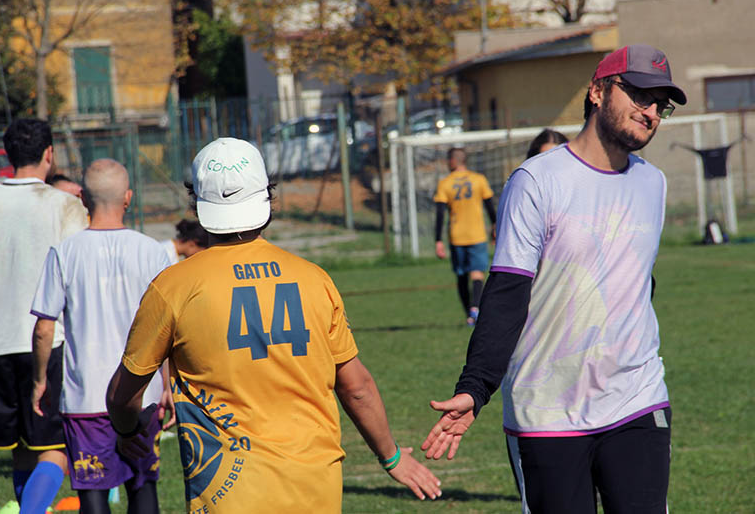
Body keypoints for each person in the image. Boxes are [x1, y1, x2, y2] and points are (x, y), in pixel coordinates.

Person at [106, 137, 442, 512]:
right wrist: (392, 457)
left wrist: (126, 431)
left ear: (197, 204)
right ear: (267, 196)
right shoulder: (315, 279)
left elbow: (124, 393)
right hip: (316, 486)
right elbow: (357, 388)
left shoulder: (173, 286)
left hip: (227, 493)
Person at [422, 44, 687, 514]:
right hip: (547, 409)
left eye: (660, 105)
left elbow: (639, 284)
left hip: (636, 398)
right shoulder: (537, 181)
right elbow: (506, 293)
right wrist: (476, 387)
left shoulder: (654, 183)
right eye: (640, 95)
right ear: (598, 91)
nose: (650, 112)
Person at [0, 119, 88, 513]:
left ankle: (31, 506)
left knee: (20, 449)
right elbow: (77, 283)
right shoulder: (65, 206)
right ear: (50, 153)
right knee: (56, 449)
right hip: (46, 341)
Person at [30, 159, 174, 513]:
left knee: (92, 495)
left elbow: (44, 327)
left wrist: (39, 380)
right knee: (143, 488)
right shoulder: (154, 252)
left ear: (82, 199)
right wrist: (168, 384)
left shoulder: (64, 253)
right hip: (142, 394)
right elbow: (168, 329)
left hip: (85, 400)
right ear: (128, 198)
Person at [433, 147, 497, 326]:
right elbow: (490, 207)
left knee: (461, 275)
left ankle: (469, 314)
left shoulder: (445, 183)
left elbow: (440, 214)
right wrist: (495, 226)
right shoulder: (479, 180)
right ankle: (475, 308)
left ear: (453, 162)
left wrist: (438, 240)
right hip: (477, 235)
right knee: (477, 274)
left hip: (457, 236)